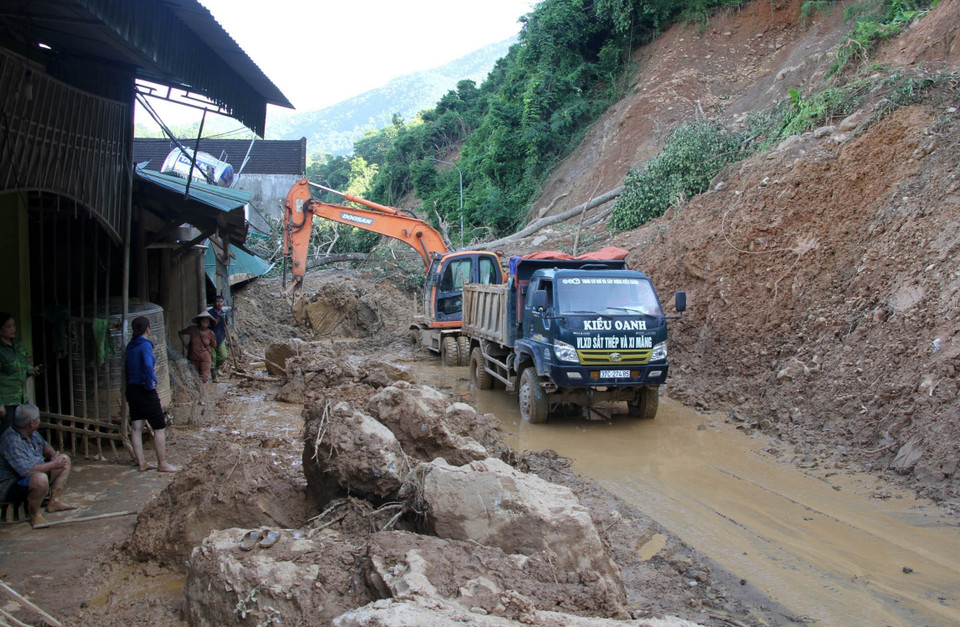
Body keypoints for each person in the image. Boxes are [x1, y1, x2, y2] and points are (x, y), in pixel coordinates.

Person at [0, 404, 77, 527]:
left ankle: (54, 501)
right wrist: (53, 464)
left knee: (64, 459)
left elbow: (45, 446)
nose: (39, 421)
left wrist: (53, 455)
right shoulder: (11, 441)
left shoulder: (30, 432)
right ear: (32, 423)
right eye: (38, 419)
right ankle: (34, 514)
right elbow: (27, 471)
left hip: (32, 475)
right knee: (40, 479)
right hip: (10, 484)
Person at [126, 316, 178, 473]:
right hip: (145, 390)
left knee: (136, 428)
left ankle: (141, 463)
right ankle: (162, 463)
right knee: (159, 428)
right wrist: (151, 384)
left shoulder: (130, 346)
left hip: (132, 390)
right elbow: (148, 366)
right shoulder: (145, 346)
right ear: (148, 329)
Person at [0, 313, 42, 434]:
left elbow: (21, 366)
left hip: (21, 398)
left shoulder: (17, 345)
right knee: (6, 434)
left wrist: (31, 370)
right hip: (6, 400)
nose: (13, 329)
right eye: (8, 326)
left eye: (13, 325)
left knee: (23, 432)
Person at [179, 312, 217, 383]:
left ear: (209, 323)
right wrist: (185, 345)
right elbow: (180, 333)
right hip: (193, 357)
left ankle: (202, 391)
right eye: (203, 321)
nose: (205, 324)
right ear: (200, 322)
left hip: (205, 358)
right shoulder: (192, 329)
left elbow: (214, 345)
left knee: (204, 378)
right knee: (194, 377)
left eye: (207, 322)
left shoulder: (211, 333)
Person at [207, 295, 229, 382]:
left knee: (223, 356)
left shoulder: (224, 313)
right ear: (214, 303)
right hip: (211, 339)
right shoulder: (210, 313)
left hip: (221, 338)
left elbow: (225, 326)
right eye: (217, 302)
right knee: (213, 358)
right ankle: (214, 376)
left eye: (221, 302)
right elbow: (210, 325)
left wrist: (227, 337)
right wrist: (219, 318)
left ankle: (217, 368)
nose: (219, 304)